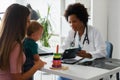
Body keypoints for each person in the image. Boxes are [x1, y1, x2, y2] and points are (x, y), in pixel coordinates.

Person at [59, 3, 106, 80]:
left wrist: (88, 55)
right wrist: (62, 53)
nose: (71, 25)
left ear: (82, 20)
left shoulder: (94, 32)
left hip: (91, 69)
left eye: (74, 21)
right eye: (69, 22)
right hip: (77, 67)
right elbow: (63, 47)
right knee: (61, 77)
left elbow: (102, 52)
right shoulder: (71, 32)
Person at [0, 3, 45, 80]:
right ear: (19, 23)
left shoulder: (4, 42)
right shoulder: (15, 46)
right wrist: (36, 67)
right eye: (27, 21)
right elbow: (17, 78)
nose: (29, 24)